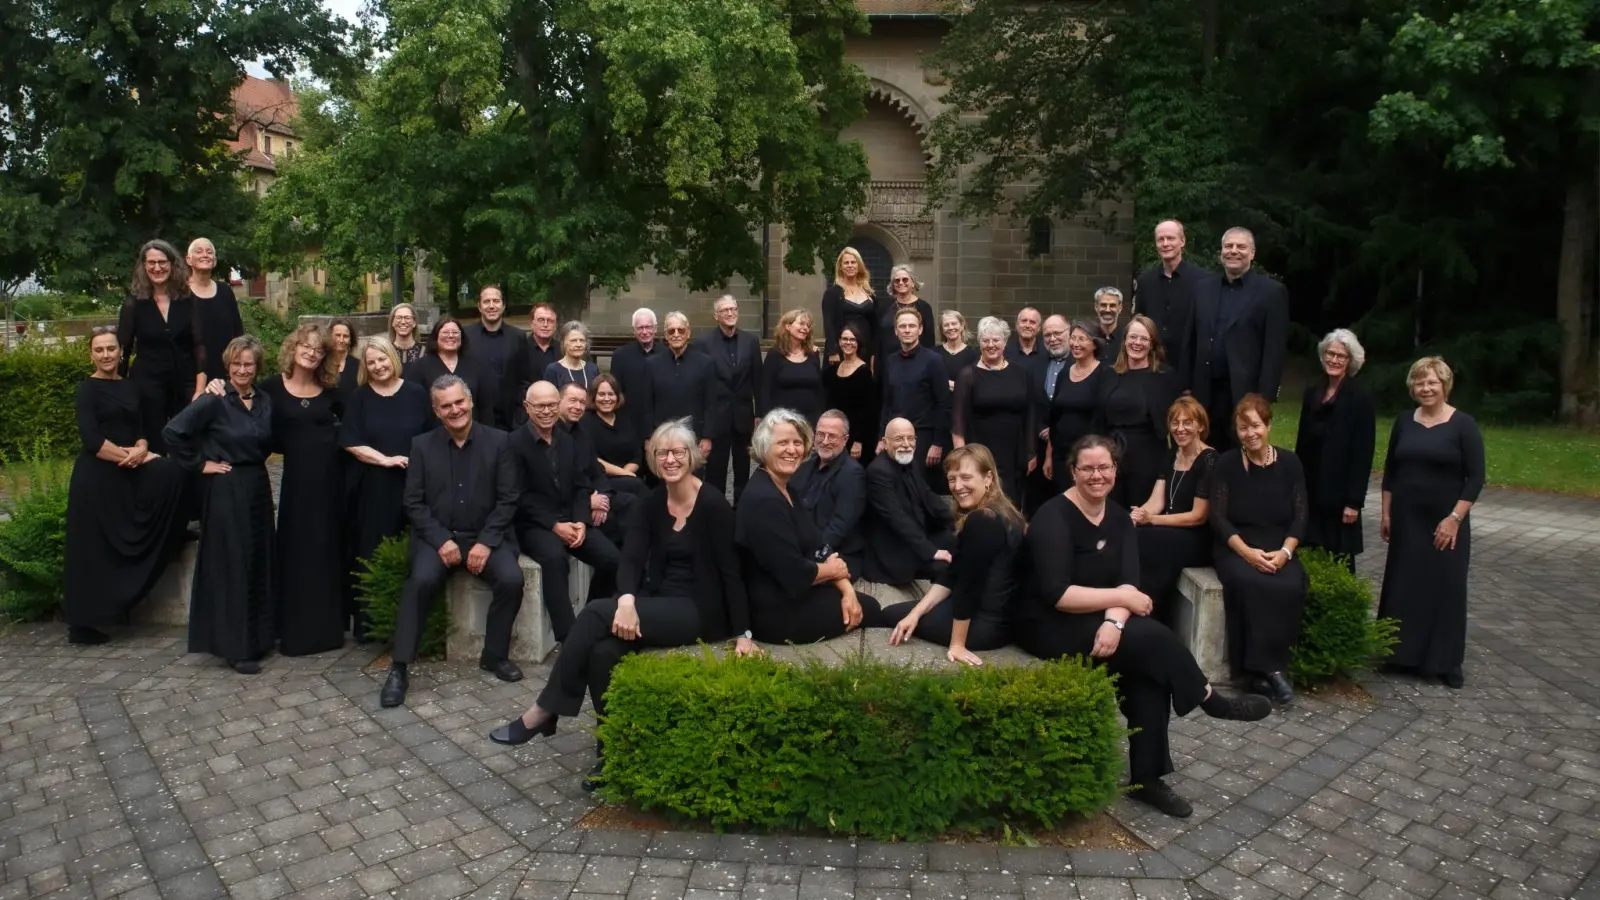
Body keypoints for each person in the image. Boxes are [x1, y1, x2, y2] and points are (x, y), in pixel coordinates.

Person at [488, 419, 754, 793]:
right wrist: (628, 600)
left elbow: (732, 574)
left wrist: (744, 632)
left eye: (678, 452)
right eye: (663, 453)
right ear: (653, 458)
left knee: (597, 610)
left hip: (699, 611)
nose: (671, 459)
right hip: (656, 602)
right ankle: (612, 753)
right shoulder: (651, 503)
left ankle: (544, 711)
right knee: (602, 652)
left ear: (692, 456)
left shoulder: (712, 505)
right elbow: (630, 560)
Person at [1018, 434, 1271, 819]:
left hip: (1102, 621)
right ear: (1073, 471)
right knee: (1152, 636)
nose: (1097, 475)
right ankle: (1210, 700)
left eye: (1104, 467)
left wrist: (1114, 624)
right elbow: (1058, 593)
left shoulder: (1119, 518)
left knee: (1148, 670)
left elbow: (1129, 584)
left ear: (1115, 470)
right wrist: (1120, 607)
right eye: (1087, 468)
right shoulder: (1052, 517)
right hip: (1051, 625)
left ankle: (1147, 781)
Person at [380, 376, 525, 709]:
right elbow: (413, 503)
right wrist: (441, 540)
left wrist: (486, 543)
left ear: (470, 401)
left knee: (512, 580)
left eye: (460, 402)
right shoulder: (421, 445)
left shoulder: (500, 442)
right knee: (420, 582)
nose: (455, 409)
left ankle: (494, 655)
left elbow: (508, 499)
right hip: (438, 537)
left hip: (485, 536)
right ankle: (399, 669)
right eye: (446, 405)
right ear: (436, 410)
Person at [64, 328, 186, 645]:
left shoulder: (131, 387)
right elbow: (92, 440)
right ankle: (85, 624)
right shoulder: (86, 390)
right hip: (97, 478)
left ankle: (169, 536)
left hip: (129, 467)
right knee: (93, 552)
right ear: (91, 354)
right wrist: (129, 457)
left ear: (121, 352)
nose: (106, 355)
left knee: (174, 472)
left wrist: (142, 449)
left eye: (111, 349)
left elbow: (143, 430)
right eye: (99, 350)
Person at [162, 335, 275, 674]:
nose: (242, 369)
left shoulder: (264, 400)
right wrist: (200, 464)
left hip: (257, 484)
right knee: (233, 564)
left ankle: (258, 638)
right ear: (228, 366)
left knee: (258, 558)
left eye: (249, 364)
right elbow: (173, 432)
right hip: (226, 487)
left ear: (257, 368)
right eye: (237, 364)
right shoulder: (213, 399)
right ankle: (234, 646)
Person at [1378, 357, 1484, 690]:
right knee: (1404, 584)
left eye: (1432, 382)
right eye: (1419, 383)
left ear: (1444, 385)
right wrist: (1385, 513)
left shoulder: (1463, 425)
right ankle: (1399, 655)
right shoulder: (1404, 421)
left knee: (1445, 586)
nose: (1425, 388)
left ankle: (1445, 661)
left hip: (1445, 522)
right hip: (1406, 519)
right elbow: (1390, 471)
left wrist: (1454, 519)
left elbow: (1476, 477)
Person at [737, 409, 881, 642]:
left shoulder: (786, 487)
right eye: (782, 443)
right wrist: (834, 572)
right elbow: (794, 573)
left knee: (863, 603)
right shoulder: (764, 499)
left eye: (797, 442)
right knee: (871, 610)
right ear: (764, 448)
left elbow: (817, 544)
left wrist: (845, 588)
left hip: (798, 588)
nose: (792, 450)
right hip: (775, 611)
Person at [1209, 394, 1309, 705]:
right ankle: (1273, 672)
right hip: (1237, 545)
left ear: (1267, 425)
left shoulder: (1290, 462)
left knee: (1291, 584)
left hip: (1279, 544)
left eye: (1255, 426)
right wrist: (1248, 553)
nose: (1250, 433)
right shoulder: (1226, 463)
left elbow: (1301, 514)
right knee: (1250, 582)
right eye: (1243, 428)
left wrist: (1285, 553)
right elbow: (1218, 517)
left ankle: (1258, 674)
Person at [255, 325, 346, 657]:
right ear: (293, 347)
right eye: (306, 346)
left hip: (329, 485)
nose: (312, 352)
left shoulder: (332, 391)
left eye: (319, 350)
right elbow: (247, 426)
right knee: (295, 554)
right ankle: (294, 632)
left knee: (326, 553)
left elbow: (351, 432)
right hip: (295, 487)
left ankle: (328, 631)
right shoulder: (270, 390)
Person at [885, 445, 1025, 662]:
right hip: (998, 622)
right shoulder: (1005, 511)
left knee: (886, 614)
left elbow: (968, 585)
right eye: (952, 479)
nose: (958, 486)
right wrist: (916, 613)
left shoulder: (983, 520)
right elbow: (953, 573)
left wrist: (957, 644)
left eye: (966, 477)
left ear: (988, 478)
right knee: (906, 614)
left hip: (984, 627)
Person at [510, 382, 621, 639]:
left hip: (572, 520)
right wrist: (553, 525)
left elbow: (582, 485)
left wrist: (581, 521)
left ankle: (591, 617)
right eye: (540, 406)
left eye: (552, 405)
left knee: (613, 560)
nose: (547, 411)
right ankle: (568, 636)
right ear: (528, 408)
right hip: (535, 525)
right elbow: (517, 495)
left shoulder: (568, 442)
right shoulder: (513, 443)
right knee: (555, 559)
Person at [341, 336, 434, 642]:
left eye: (382, 359)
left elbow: (431, 435)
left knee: (413, 551)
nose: (378, 366)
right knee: (373, 551)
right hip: (376, 485)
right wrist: (386, 460)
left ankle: (413, 622)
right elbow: (351, 441)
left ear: (393, 359)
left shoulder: (416, 393)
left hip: (413, 484)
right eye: (371, 362)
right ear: (365, 367)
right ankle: (371, 624)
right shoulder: (359, 398)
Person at [1190, 227, 1289, 450]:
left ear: (1252, 253)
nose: (1234, 251)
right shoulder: (1202, 289)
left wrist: (1264, 397)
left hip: (1245, 392)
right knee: (1204, 453)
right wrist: (1188, 386)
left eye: (1241, 247)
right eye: (1228, 246)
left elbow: (1275, 348)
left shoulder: (1271, 292)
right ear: (1221, 251)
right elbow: (1191, 338)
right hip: (1205, 391)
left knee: (1243, 455)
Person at [1293, 329, 1376, 571]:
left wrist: (1354, 501)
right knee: (1309, 551)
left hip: (1340, 497)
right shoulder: (1312, 391)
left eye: (1341, 356)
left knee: (1339, 558)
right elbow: (1301, 441)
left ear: (1351, 361)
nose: (1334, 360)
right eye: (1330, 354)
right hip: (1311, 488)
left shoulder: (1361, 397)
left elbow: (1363, 452)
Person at [1133, 397, 1219, 627]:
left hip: (1195, 535)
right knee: (1134, 533)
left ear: (1200, 426)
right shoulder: (1172, 455)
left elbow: (1197, 516)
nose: (1180, 429)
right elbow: (1156, 501)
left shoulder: (1209, 459)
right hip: (1168, 528)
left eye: (1187, 422)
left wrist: (1152, 520)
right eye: (1175, 423)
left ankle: (1153, 613)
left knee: (1150, 539)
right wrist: (1138, 516)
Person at [118, 239, 206, 453]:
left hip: (184, 383)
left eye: (162, 262)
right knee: (155, 445)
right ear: (144, 266)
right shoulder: (134, 303)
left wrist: (200, 388)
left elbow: (199, 344)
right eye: (151, 263)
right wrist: (120, 389)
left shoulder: (187, 299)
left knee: (186, 443)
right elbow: (123, 348)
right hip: (148, 385)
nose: (157, 268)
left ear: (172, 264)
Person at [1095, 315, 1180, 510]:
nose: (1137, 343)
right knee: (1110, 512)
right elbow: (1098, 419)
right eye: (1133, 337)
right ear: (1124, 341)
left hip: (1147, 457)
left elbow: (1173, 423)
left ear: (1152, 344)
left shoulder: (1164, 377)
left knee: (1139, 514)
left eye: (1144, 339)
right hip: (1111, 454)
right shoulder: (1109, 374)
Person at [951, 316, 1036, 503]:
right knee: (984, 500)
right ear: (979, 343)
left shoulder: (1021, 373)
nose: (991, 345)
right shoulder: (968, 375)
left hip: (1014, 452)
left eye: (996, 340)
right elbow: (958, 423)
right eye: (985, 340)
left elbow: (1030, 414)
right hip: (981, 451)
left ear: (1005, 342)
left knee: (1012, 502)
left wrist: (1031, 452)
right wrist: (962, 459)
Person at [863, 417, 956, 585]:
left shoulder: (910, 462)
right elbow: (897, 518)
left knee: (960, 539)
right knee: (947, 568)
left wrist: (957, 518)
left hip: (918, 534)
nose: (906, 444)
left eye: (910, 438)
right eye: (899, 439)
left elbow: (928, 496)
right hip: (895, 548)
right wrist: (931, 551)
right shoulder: (878, 472)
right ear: (885, 442)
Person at [696, 295, 761, 502]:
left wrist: (759, 414)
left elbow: (757, 380)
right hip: (717, 417)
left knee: (743, 470)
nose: (731, 313)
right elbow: (701, 385)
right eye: (725, 310)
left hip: (743, 416)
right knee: (716, 471)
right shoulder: (703, 343)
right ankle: (716, 511)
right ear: (716, 315)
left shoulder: (751, 341)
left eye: (734, 309)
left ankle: (741, 512)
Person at [877, 307, 950, 490]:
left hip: (922, 438)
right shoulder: (890, 361)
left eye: (911, 326)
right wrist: (881, 438)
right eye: (902, 326)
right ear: (896, 331)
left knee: (918, 490)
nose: (907, 330)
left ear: (920, 329)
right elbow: (886, 402)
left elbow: (943, 403)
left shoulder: (934, 360)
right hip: (894, 437)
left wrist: (937, 443)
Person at [793, 410, 868, 578]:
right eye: (820, 434)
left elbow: (839, 526)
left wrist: (811, 558)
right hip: (800, 545)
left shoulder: (852, 474)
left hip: (834, 554)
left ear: (845, 440)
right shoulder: (806, 464)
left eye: (832, 436)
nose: (825, 441)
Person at [637, 312, 716, 457]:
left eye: (681, 330)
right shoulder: (651, 364)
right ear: (666, 335)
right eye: (671, 331)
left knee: (693, 478)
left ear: (688, 333)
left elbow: (711, 404)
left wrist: (707, 437)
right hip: (662, 437)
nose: (676, 334)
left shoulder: (706, 363)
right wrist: (648, 437)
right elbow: (646, 404)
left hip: (694, 438)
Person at [1134, 219, 1201, 388]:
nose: (1165, 244)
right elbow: (1140, 320)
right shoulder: (1146, 281)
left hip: (1188, 367)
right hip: (1152, 366)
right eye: (1160, 239)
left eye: (1170, 238)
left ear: (1182, 241)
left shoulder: (1202, 281)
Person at [1042, 317, 1103, 492]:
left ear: (1095, 344)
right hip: (1062, 455)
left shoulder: (1104, 374)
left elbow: (1103, 419)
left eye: (1082, 339)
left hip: (1089, 456)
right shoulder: (1064, 374)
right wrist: (1049, 456)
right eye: (1073, 338)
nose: (1075, 344)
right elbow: (1055, 418)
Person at [404, 317, 495, 426]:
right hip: (433, 434)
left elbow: (486, 407)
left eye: (455, 332)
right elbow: (413, 406)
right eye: (445, 332)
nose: (451, 336)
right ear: (436, 336)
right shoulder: (419, 367)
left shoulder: (477, 364)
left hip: (472, 433)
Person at [465, 286, 529, 429]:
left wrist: (520, 417)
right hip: (474, 420)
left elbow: (525, 380)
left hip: (510, 421)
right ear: (479, 307)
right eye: (487, 301)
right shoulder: (466, 336)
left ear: (503, 305)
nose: (492, 306)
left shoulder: (518, 337)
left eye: (496, 301)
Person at [185, 238, 242, 384]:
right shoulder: (180, 293)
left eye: (209, 252)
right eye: (199, 251)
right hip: (190, 376)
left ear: (214, 261)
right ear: (188, 259)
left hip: (225, 372)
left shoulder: (225, 291)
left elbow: (238, 332)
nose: (205, 255)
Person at [579, 374, 647, 496]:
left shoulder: (625, 419)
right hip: (602, 481)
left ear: (617, 396)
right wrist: (623, 474)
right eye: (601, 394)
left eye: (611, 394)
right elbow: (592, 459)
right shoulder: (584, 422)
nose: (606, 399)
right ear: (594, 397)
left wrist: (626, 474)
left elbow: (637, 455)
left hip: (630, 477)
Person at [758, 309, 826, 425]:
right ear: (787, 326)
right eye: (801, 323)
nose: (805, 328)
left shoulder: (813, 354)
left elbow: (819, 390)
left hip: (811, 419)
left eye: (807, 326)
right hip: (782, 420)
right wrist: (766, 419)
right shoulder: (775, 354)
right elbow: (765, 390)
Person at [823, 324, 878, 464]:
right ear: (839, 342)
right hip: (836, 433)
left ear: (858, 343)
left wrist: (859, 441)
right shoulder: (832, 370)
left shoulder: (864, 372)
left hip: (856, 437)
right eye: (844, 339)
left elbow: (869, 411)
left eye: (852, 340)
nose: (848, 343)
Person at [607, 308, 662, 441]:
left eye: (648, 327)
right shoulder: (620, 356)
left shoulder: (666, 354)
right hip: (629, 424)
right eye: (640, 328)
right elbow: (615, 392)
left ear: (655, 328)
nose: (644, 332)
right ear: (634, 331)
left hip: (660, 425)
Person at [822, 247, 878, 367]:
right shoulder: (832, 293)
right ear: (840, 267)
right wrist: (832, 351)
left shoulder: (870, 294)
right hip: (840, 350)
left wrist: (874, 353)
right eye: (846, 263)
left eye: (853, 262)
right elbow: (829, 324)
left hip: (865, 351)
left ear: (859, 265)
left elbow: (875, 325)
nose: (850, 265)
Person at [876, 265, 935, 363]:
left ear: (913, 282)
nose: (901, 283)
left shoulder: (924, 307)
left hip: (916, 362)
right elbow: (878, 337)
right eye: (897, 280)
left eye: (905, 280)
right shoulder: (884, 306)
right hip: (886, 361)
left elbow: (929, 340)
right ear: (893, 284)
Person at [544, 321, 600, 390]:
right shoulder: (553, 370)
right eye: (573, 341)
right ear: (563, 343)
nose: (578, 345)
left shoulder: (593, 369)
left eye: (582, 340)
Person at [937, 310, 978, 391]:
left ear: (962, 326)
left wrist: (953, 385)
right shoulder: (934, 354)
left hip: (964, 401)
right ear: (942, 330)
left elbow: (977, 383)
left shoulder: (974, 354)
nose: (950, 327)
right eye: (946, 325)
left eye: (954, 324)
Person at [328, 318, 360, 400]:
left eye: (345, 336)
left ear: (350, 340)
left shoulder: (359, 366)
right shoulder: (321, 363)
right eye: (337, 335)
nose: (341, 340)